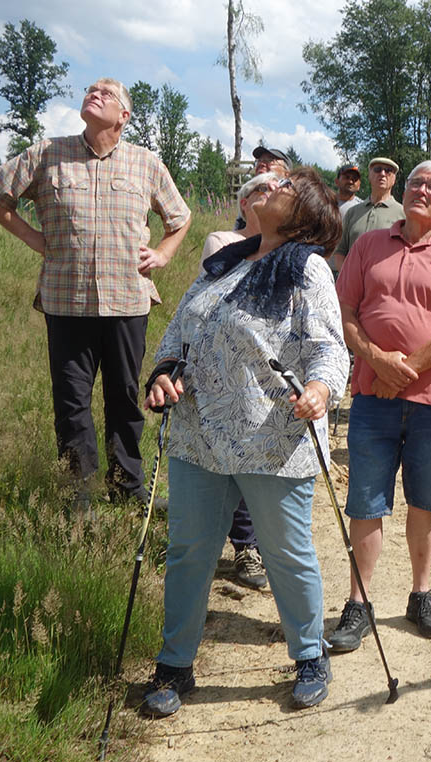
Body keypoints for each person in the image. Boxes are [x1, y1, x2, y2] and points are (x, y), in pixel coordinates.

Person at [140, 167, 349, 715]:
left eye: (280, 189)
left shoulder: (307, 268)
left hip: (272, 440)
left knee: (286, 552)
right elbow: (178, 335)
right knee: (189, 553)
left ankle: (308, 656)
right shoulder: (223, 262)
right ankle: (174, 666)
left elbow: (330, 347)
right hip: (198, 436)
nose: (266, 191)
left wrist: (322, 390)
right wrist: (163, 373)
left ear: (304, 214)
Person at [0, 77, 192, 510]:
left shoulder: (145, 163)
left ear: (124, 116)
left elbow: (180, 218)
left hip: (127, 301)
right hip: (66, 301)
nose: (94, 93)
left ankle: (127, 488)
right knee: (71, 403)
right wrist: (35, 239)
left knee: (124, 397)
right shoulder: (47, 153)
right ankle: (78, 496)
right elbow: (1, 198)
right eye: (90, 89)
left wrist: (162, 253)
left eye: (107, 92)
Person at [330, 160, 431, 649]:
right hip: (373, 396)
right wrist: (376, 359)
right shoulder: (369, 245)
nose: (420, 189)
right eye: (415, 182)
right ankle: (358, 602)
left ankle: (421, 594)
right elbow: (346, 310)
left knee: (425, 501)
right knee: (366, 500)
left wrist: (404, 369)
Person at [198, 172, 281, 590]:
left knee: (263, 462)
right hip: (228, 373)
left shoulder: (288, 248)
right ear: (245, 203)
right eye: (260, 191)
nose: (269, 196)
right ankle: (243, 548)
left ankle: (263, 546)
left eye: (276, 191)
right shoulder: (222, 243)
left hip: (272, 374)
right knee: (232, 464)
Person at [333, 157, 405, 274]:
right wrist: (347, 279)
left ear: (394, 179)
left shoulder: (403, 214)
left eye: (388, 171)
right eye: (377, 169)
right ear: (369, 176)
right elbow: (340, 251)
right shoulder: (353, 212)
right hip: (351, 286)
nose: (382, 174)